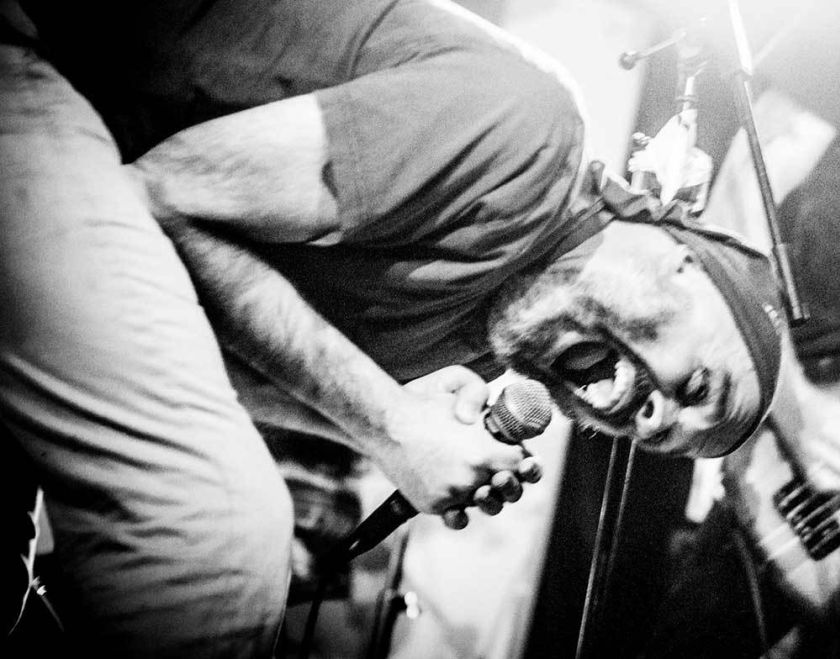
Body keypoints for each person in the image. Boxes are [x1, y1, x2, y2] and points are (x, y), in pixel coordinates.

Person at [0, 0, 787, 656]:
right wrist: (391, 424)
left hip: (68, 233)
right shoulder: (528, 137)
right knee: (219, 551)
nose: (648, 416)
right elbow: (168, 193)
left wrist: (381, 428)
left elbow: (205, 367)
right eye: (696, 386)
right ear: (685, 261)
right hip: (41, 79)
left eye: (657, 432)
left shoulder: (485, 339)